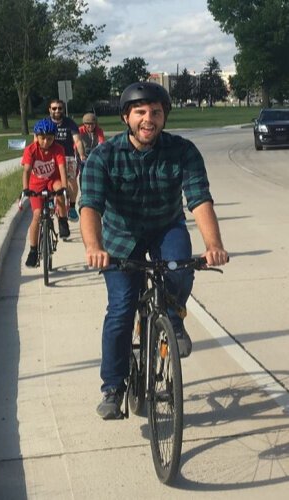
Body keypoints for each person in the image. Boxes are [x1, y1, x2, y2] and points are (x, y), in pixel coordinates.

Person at [79, 82, 229, 420]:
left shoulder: (183, 151)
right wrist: (94, 247)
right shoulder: (104, 156)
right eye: (141, 112)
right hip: (120, 238)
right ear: (126, 117)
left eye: (156, 113)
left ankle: (173, 320)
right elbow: (90, 205)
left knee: (179, 270)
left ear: (164, 117)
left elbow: (199, 199)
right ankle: (113, 388)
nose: (149, 119)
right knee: (120, 310)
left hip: (165, 227)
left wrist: (214, 245)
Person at [21, 118, 69, 267]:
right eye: (42, 138)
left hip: (52, 180)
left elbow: (62, 168)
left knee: (59, 189)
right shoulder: (31, 150)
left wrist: (64, 187)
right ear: (36, 137)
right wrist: (25, 189)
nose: (46, 142)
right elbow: (27, 170)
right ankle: (33, 251)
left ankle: (62, 220)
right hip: (36, 184)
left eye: (50, 138)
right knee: (36, 215)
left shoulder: (58, 149)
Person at [48, 98, 85, 224]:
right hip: (51, 157)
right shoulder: (46, 123)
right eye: (54, 108)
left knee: (72, 180)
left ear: (63, 109)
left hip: (68, 156)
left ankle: (73, 206)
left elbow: (78, 141)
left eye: (59, 108)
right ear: (49, 110)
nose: (57, 110)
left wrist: (82, 155)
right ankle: (50, 200)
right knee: (48, 179)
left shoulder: (70, 123)